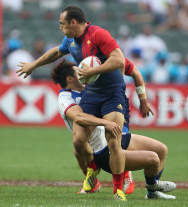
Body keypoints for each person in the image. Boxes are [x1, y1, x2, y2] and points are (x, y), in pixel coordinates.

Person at [16, 6, 150, 200]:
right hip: (92, 93)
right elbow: (56, 52)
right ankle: (92, 172)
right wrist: (33, 65)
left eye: (62, 24)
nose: (60, 27)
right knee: (78, 139)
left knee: (114, 140)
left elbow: (120, 60)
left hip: (112, 93)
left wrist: (142, 98)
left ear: (73, 23)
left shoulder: (98, 34)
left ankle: (118, 189)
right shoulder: (69, 40)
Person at [50, 59, 176, 200]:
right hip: (103, 151)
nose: (83, 71)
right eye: (79, 70)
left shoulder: (90, 89)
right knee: (153, 159)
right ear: (70, 79)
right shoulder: (65, 98)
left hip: (114, 136)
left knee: (161, 149)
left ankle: (152, 193)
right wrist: (106, 123)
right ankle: (150, 185)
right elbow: (79, 117)